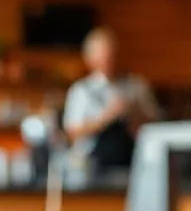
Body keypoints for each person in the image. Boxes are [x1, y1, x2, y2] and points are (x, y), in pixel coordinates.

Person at [63, 28, 158, 171]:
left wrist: (133, 115)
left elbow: (155, 123)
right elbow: (72, 131)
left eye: (111, 54)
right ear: (89, 58)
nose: (108, 59)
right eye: (102, 55)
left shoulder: (136, 86)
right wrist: (107, 117)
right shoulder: (81, 91)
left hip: (133, 160)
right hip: (92, 165)